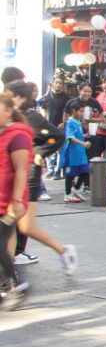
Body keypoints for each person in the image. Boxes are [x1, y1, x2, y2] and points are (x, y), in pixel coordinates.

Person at [5, 81, 78, 273]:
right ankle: (8, 274)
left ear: (21, 97)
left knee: (25, 226)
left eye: (10, 94)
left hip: (29, 175)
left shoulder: (32, 117)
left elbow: (56, 136)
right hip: (10, 178)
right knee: (11, 226)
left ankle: (63, 251)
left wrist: (40, 153)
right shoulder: (8, 117)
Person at [0, 94, 35, 309]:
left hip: (10, 202)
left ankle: (13, 286)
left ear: (8, 111)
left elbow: (22, 170)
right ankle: (8, 286)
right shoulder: (3, 134)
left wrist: (17, 201)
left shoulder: (18, 136)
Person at [40, 74, 70, 179]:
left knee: (61, 151)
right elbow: (43, 111)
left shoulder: (67, 98)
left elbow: (68, 112)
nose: (58, 85)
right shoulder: (47, 97)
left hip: (61, 127)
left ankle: (58, 171)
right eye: (56, 83)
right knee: (50, 149)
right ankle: (50, 170)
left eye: (60, 83)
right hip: (49, 127)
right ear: (53, 84)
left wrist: (64, 123)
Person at [61, 100, 90, 203]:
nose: (82, 114)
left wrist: (85, 136)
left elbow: (77, 135)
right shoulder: (70, 123)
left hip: (80, 153)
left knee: (86, 171)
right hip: (71, 153)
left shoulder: (78, 122)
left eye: (83, 112)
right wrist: (83, 143)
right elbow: (70, 137)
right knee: (70, 174)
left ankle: (76, 189)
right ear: (74, 111)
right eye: (80, 111)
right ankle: (67, 194)